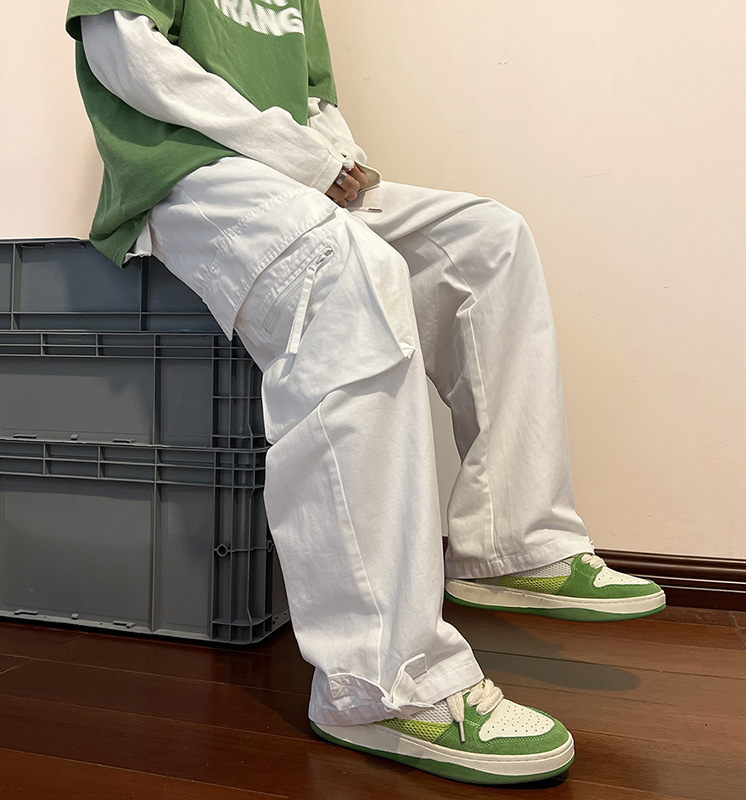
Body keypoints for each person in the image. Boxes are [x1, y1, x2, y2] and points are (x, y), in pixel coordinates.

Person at [66, 0, 666, 785]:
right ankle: (378, 685)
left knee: (488, 238)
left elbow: (316, 99)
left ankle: (514, 543)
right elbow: (125, 55)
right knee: (349, 273)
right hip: (185, 173)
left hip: (288, 174)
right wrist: (298, 156)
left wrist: (338, 158)